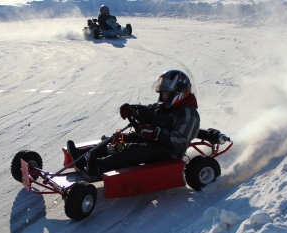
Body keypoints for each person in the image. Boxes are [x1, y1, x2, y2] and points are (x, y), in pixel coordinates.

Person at [67, 70, 201, 178]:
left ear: (179, 93)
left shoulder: (188, 114)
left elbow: (181, 139)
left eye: (166, 94)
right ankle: (82, 156)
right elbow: (149, 110)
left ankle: (98, 167)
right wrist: (134, 109)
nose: (163, 98)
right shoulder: (165, 106)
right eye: (162, 94)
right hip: (155, 141)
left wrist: (156, 133)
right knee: (120, 138)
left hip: (168, 152)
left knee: (134, 150)